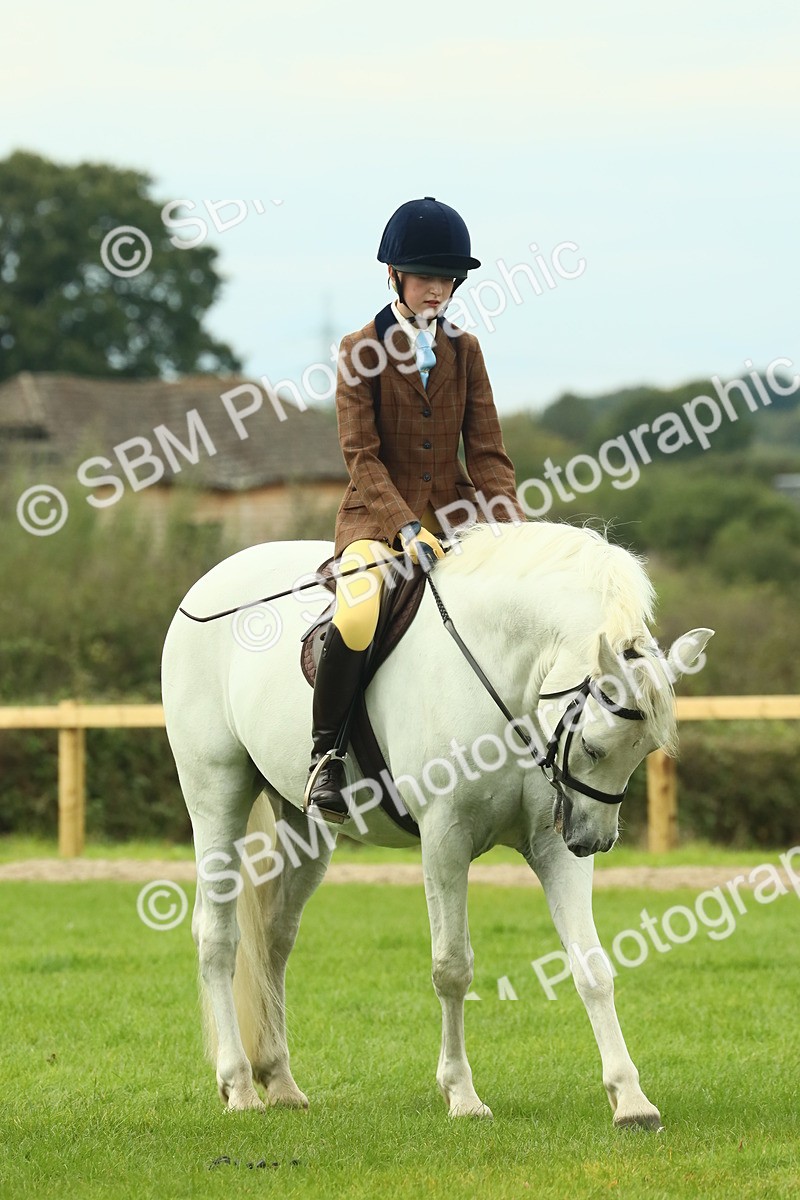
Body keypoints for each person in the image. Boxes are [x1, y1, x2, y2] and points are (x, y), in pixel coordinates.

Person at [305, 196, 524, 822]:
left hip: (455, 521)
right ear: (394, 276)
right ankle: (328, 755)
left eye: (448, 278)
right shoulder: (357, 350)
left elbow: (487, 454)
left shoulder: (466, 351)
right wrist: (404, 526)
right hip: (376, 521)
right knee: (358, 611)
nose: (439, 289)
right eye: (427, 276)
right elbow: (361, 456)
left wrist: (512, 532)